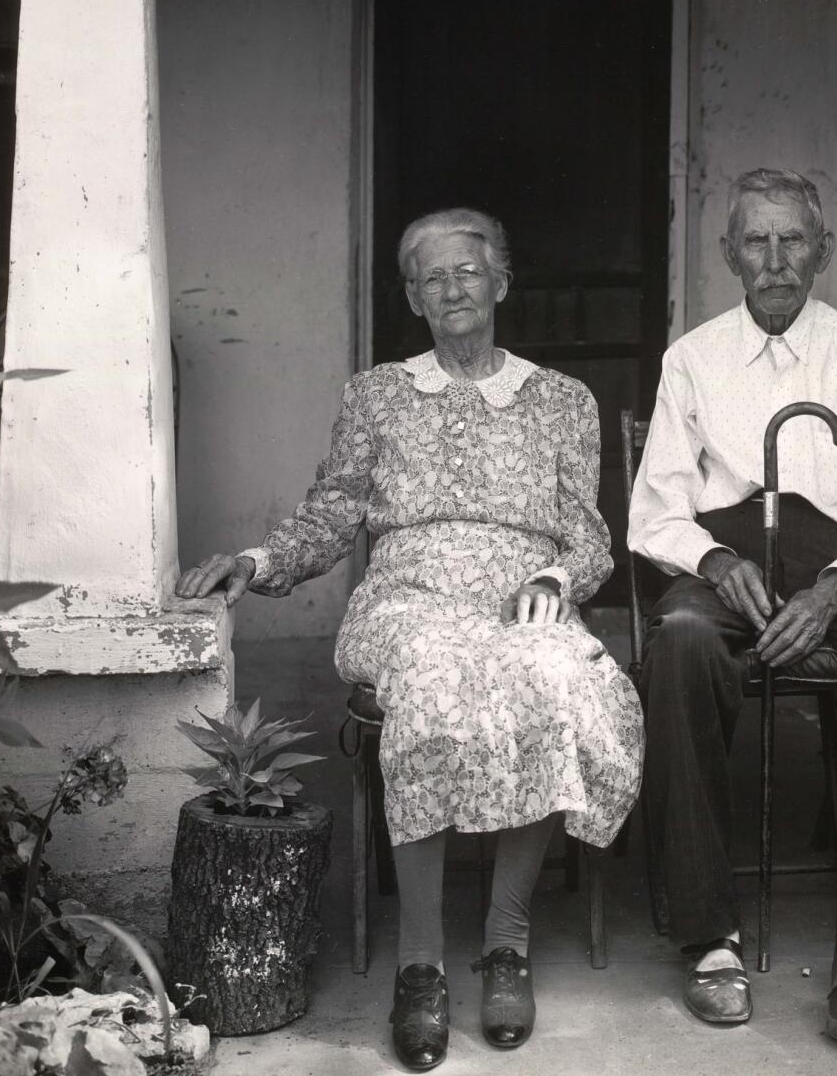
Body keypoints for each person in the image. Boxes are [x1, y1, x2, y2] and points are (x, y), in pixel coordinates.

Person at [177, 208, 642, 1072]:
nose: (451, 287)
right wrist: (256, 557)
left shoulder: (561, 401)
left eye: (467, 270)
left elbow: (589, 539)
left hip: (520, 596)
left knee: (552, 681)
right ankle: (421, 963)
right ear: (413, 298)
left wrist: (555, 580)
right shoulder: (378, 393)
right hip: (410, 595)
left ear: (501, 282)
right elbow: (332, 511)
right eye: (431, 276)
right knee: (428, 687)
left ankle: (506, 942)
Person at [627, 168, 837, 1075]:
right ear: (730, 253)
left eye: (793, 241)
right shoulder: (691, 358)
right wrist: (715, 561)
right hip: (727, 554)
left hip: (834, 564)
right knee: (682, 644)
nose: (776, 261)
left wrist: (833, 591)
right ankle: (708, 937)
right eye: (757, 242)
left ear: (823, 250)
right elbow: (654, 511)